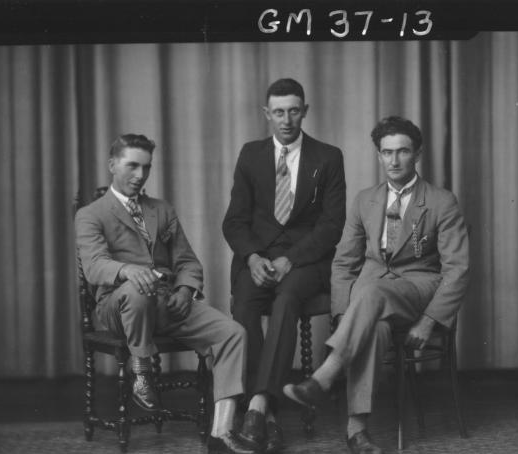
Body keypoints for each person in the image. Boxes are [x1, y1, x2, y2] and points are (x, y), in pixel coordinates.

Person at [283, 116, 470, 454]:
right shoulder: (364, 200)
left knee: (369, 292)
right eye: (387, 153)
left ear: (417, 155)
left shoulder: (442, 201)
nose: (394, 161)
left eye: (402, 152)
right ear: (378, 156)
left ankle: (327, 374)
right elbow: (344, 263)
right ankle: (357, 432)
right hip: (371, 302)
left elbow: (457, 269)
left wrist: (430, 321)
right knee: (376, 327)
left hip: (418, 290)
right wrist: (344, 314)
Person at [75, 134, 255, 454]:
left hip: (166, 304)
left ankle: (222, 433)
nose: (140, 175)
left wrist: (186, 290)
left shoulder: (161, 209)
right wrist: (128, 270)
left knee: (233, 333)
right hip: (118, 307)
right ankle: (141, 369)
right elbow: (94, 266)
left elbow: (186, 261)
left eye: (146, 168)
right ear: (112, 165)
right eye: (132, 166)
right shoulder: (91, 214)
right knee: (137, 289)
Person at [222, 78, 346, 453]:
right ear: (267, 114)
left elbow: (332, 225)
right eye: (279, 112)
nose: (287, 119)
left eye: (294, 110)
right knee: (243, 304)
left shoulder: (328, 157)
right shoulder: (250, 154)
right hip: (259, 259)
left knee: (287, 300)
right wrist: (253, 257)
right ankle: (271, 417)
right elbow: (234, 220)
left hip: (305, 261)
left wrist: (292, 258)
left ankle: (258, 404)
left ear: (305, 111)